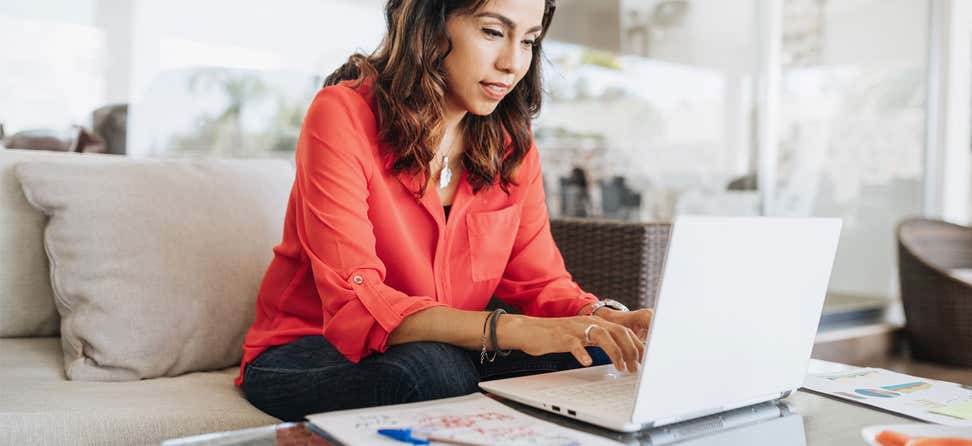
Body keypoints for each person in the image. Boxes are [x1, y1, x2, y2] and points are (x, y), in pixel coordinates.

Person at [237, 0, 654, 422]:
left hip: (455, 348)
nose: (512, 63)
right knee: (433, 369)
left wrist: (605, 320)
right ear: (430, 25)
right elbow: (356, 304)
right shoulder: (341, 114)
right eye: (493, 32)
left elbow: (540, 282)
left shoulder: (513, 147)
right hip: (308, 350)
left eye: (528, 41)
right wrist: (512, 330)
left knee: (598, 353)